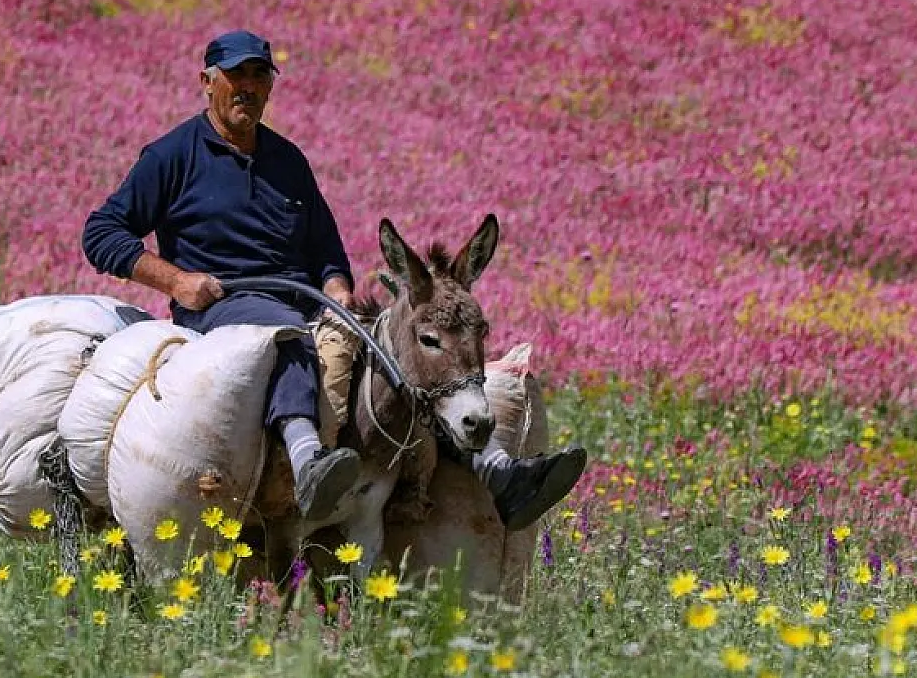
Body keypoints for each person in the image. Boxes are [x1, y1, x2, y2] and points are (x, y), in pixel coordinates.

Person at [82, 29, 586, 530]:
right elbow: (102, 232)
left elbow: (325, 248)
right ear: (206, 82)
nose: (248, 88)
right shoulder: (171, 156)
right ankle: (307, 463)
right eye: (236, 76)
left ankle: (498, 474)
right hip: (223, 304)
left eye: (260, 76)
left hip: (301, 300)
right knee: (290, 338)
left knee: (403, 355)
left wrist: (337, 287)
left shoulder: (288, 161)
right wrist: (175, 281)